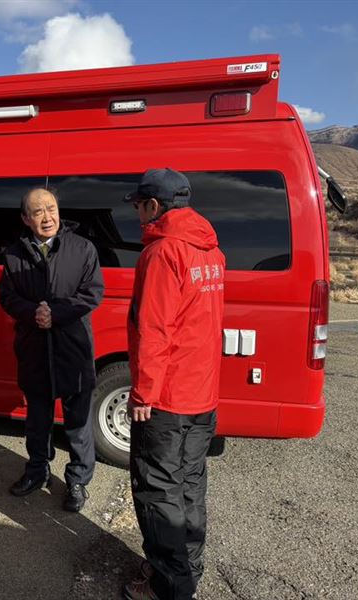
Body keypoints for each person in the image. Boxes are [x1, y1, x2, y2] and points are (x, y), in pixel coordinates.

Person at [121, 169, 226, 600]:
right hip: (201, 394)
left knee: (157, 490)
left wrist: (144, 392)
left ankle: (169, 585)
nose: (137, 213)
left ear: (154, 206)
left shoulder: (163, 252)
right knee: (189, 484)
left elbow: (155, 329)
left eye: (139, 205)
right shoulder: (212, 250)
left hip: (166, 396)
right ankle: (188, 563)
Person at [0, 187, 103, 512]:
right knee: (37, 419)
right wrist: (34, 313)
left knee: (77, 422)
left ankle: (77, 481)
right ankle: (36, 471)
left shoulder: (82, 248)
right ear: (26, 219)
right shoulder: (13, 254)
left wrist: (54, 313)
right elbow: (7, 296)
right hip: (33, 349)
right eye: (38, 211)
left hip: (72, 347)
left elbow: (91, 294)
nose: (47, 216)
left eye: (51, 208)